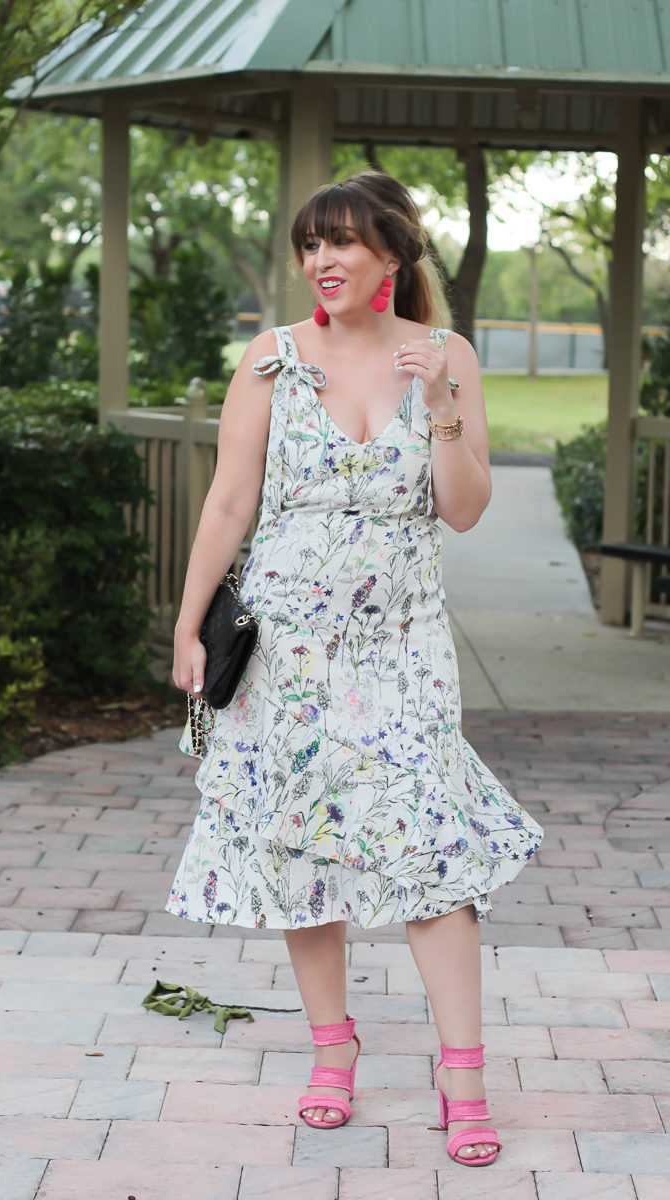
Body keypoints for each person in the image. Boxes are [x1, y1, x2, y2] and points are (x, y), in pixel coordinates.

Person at [167, 170, 543, 1165]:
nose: (320, 261)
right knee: (300, 851)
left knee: (431, 856)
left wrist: (439, 405)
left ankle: (460, 1077)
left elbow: (461, 510)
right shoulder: (270, 362)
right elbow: (226, 505)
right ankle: (330, 1054)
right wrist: (188, 625)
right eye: (308, 244)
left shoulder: (445, 355)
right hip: (286, 648)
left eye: (339, 242)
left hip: (403, 649)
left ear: (390, 254)